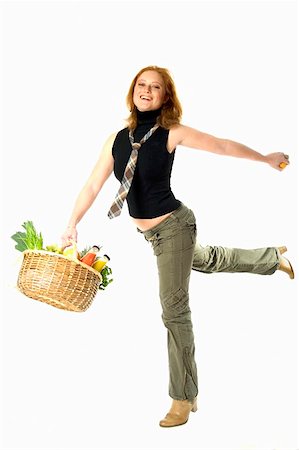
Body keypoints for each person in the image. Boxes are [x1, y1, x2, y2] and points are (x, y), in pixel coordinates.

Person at [61, 65, 294, 428]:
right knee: (208, 259)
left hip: (175, 227)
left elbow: (222, 145)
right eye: (142, 85)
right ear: (132, 91)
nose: (147, 91)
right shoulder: (117, 139)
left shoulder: (170, 133)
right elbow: (93, 185)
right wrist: (72, 224)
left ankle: (183, 396)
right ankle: (271, 259)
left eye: (156, 87)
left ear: (165, 96)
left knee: (174, 311)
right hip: (153, 236)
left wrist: (264, 158)